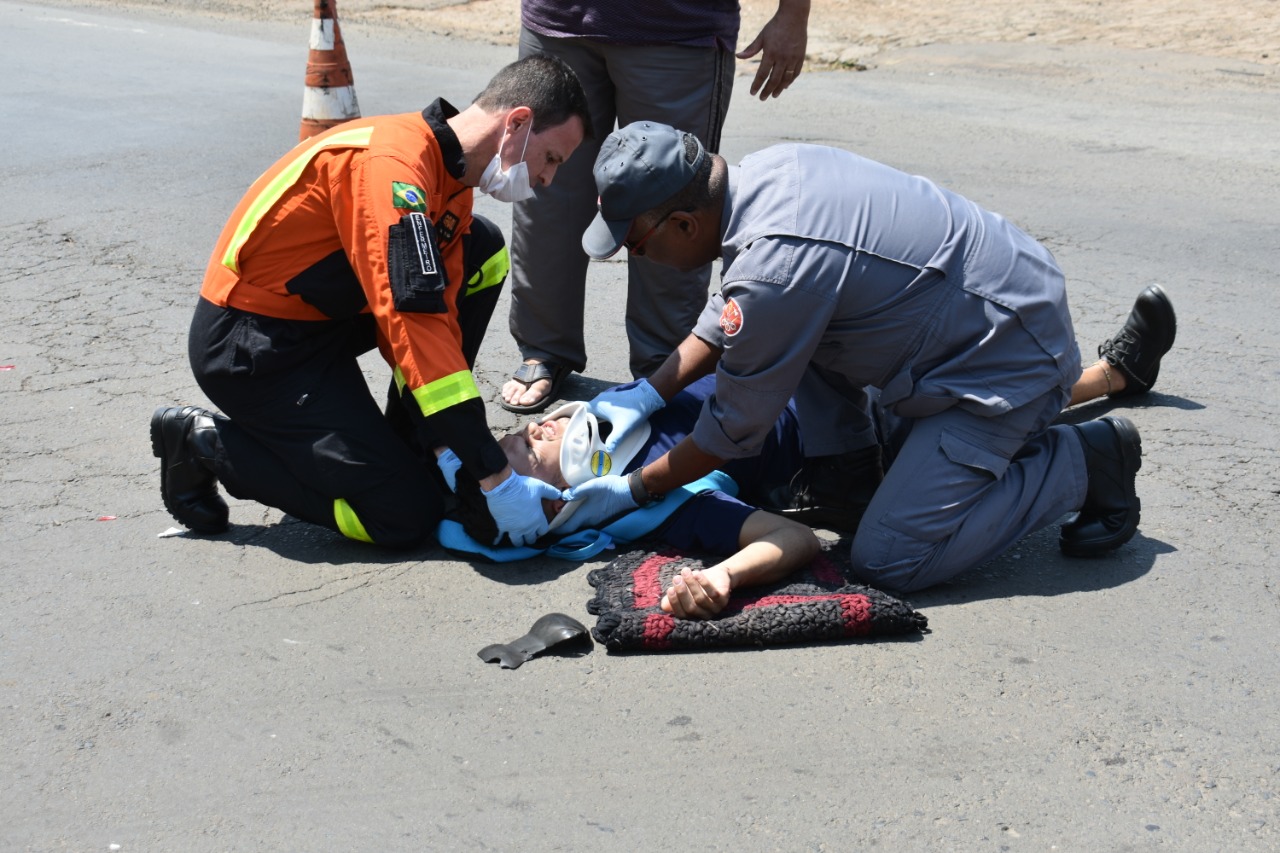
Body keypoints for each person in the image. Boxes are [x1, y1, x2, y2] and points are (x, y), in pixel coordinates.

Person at [558, 121, 1177, 594]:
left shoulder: (776, 268)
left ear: (687, 224)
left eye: (635, 242)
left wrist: (635, 488)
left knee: (889, 558)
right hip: (981, 318)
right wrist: (650, 393)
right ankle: (848, 468)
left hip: (1004, 357)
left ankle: (1085, 463)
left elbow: (732, 429)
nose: (635, 257)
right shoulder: (767, 175)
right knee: (800, 343)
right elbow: (731, 315)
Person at [150, 56, 592, 549]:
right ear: (518, 124)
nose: (547, 180)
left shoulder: (452, 183)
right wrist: (494, 475)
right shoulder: (392, 171)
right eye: (552, 159)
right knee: (403, 516)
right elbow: (414, 320)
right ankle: (203, 443)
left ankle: (413, 444)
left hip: (321, 323)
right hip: (254, 348)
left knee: (480, 251)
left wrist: (445, 448)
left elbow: (434, 328)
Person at [499, 0, 811, 414]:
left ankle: (664, 370)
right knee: (546, 198)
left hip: (676, 27)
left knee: (671, 204)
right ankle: (544, 349)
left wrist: (793, 13)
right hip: (559, 21)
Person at [453, 376, 820, 619]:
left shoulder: (607, 416)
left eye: (520, 431)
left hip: (781, 358)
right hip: (831, 405)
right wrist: (725, 574)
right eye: (532, 447)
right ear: (557, 502)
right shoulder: (669, 510)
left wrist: (654, 387)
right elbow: (796, 538)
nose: (535, 425)